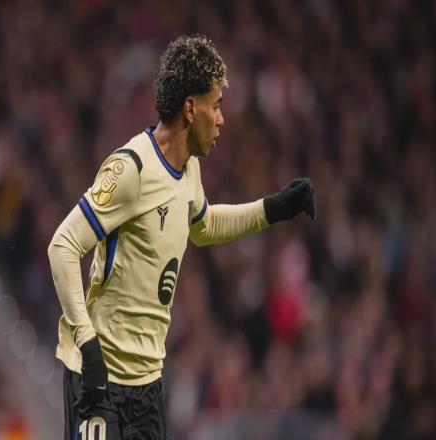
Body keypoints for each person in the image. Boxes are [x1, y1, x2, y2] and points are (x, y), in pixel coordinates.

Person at [48, 34, 315, 440]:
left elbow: (203, 226)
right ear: (191, 108)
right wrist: (87, 344)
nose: (221, 119)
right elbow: (63, 246)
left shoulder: (188, 169)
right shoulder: (132, 168)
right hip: (100, 379)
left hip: (147, 384)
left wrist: (272, 209)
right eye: (216, 105)